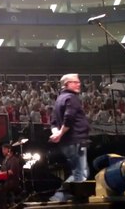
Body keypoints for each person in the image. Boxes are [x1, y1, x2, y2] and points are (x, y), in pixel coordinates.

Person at [49, 73, 90, 202]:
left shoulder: (59, 99)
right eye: (76, 82)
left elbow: (54, 122)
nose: (79, 84)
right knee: (81, 173)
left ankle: (63, 197)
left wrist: (56, 133)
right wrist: (60, 134)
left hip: (67, 143)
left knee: (77, 172)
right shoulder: (71, 98)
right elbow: (69, 118)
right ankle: (60, 197)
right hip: (76, 140)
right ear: (67, 84)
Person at [0, 143, 22, 209]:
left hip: (12, 181)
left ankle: (3, 206)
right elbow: (2, 171)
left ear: (9, 150)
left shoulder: (14, 159)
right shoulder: (5, 160)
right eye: (2, 149)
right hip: (5, 181)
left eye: (4, 149)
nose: (2, 151)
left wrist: (1, 173)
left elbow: (11, 172)